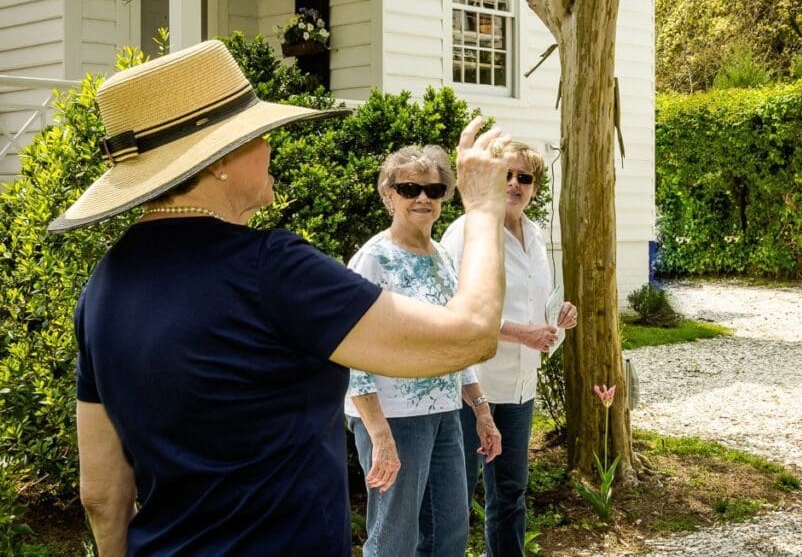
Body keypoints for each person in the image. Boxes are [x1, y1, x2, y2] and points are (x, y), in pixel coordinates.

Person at [57, 39, 511, 556]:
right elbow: (470, 334)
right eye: (259, 135)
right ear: (220, 159)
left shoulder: (102, 288)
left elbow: (100, 494)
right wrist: (482, 207)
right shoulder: (271, 269)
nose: (271, 146)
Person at [344, 145, 502, 557]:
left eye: (433, 189)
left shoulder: (444, 258)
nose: (422, 198)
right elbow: (350, 355)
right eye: (410, 188)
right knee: (394, 540)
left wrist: (481, 410)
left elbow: (456, 342)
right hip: (395, 418)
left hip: (445, 412)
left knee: (449, 532)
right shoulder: (372, 260)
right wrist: (379, 433)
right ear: (389, 194)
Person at [441, 140, 577, 557]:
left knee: (510, 494)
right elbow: (452, 308)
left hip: (521, 386)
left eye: (525, 177)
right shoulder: (467, 230)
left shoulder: (535, 236)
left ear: (535, 186)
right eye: (507, 175)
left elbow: (538, 309)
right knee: (455, 498)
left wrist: (559, 321)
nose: (515, 184)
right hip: (474, 386)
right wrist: (522, 334)